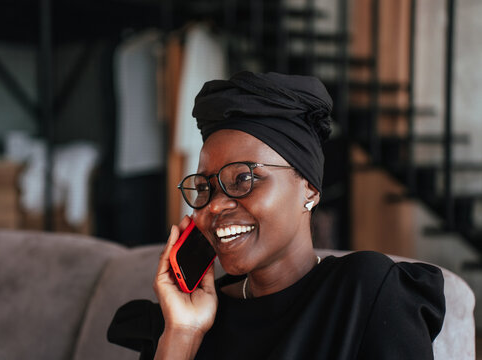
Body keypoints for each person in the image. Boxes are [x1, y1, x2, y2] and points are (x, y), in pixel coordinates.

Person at [107, 71, 445, 359]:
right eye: (204, 187)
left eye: (243, 179)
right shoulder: (195, 316)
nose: (213, 206)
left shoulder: (365, 291)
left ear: (309, 189)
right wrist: (182, 334)